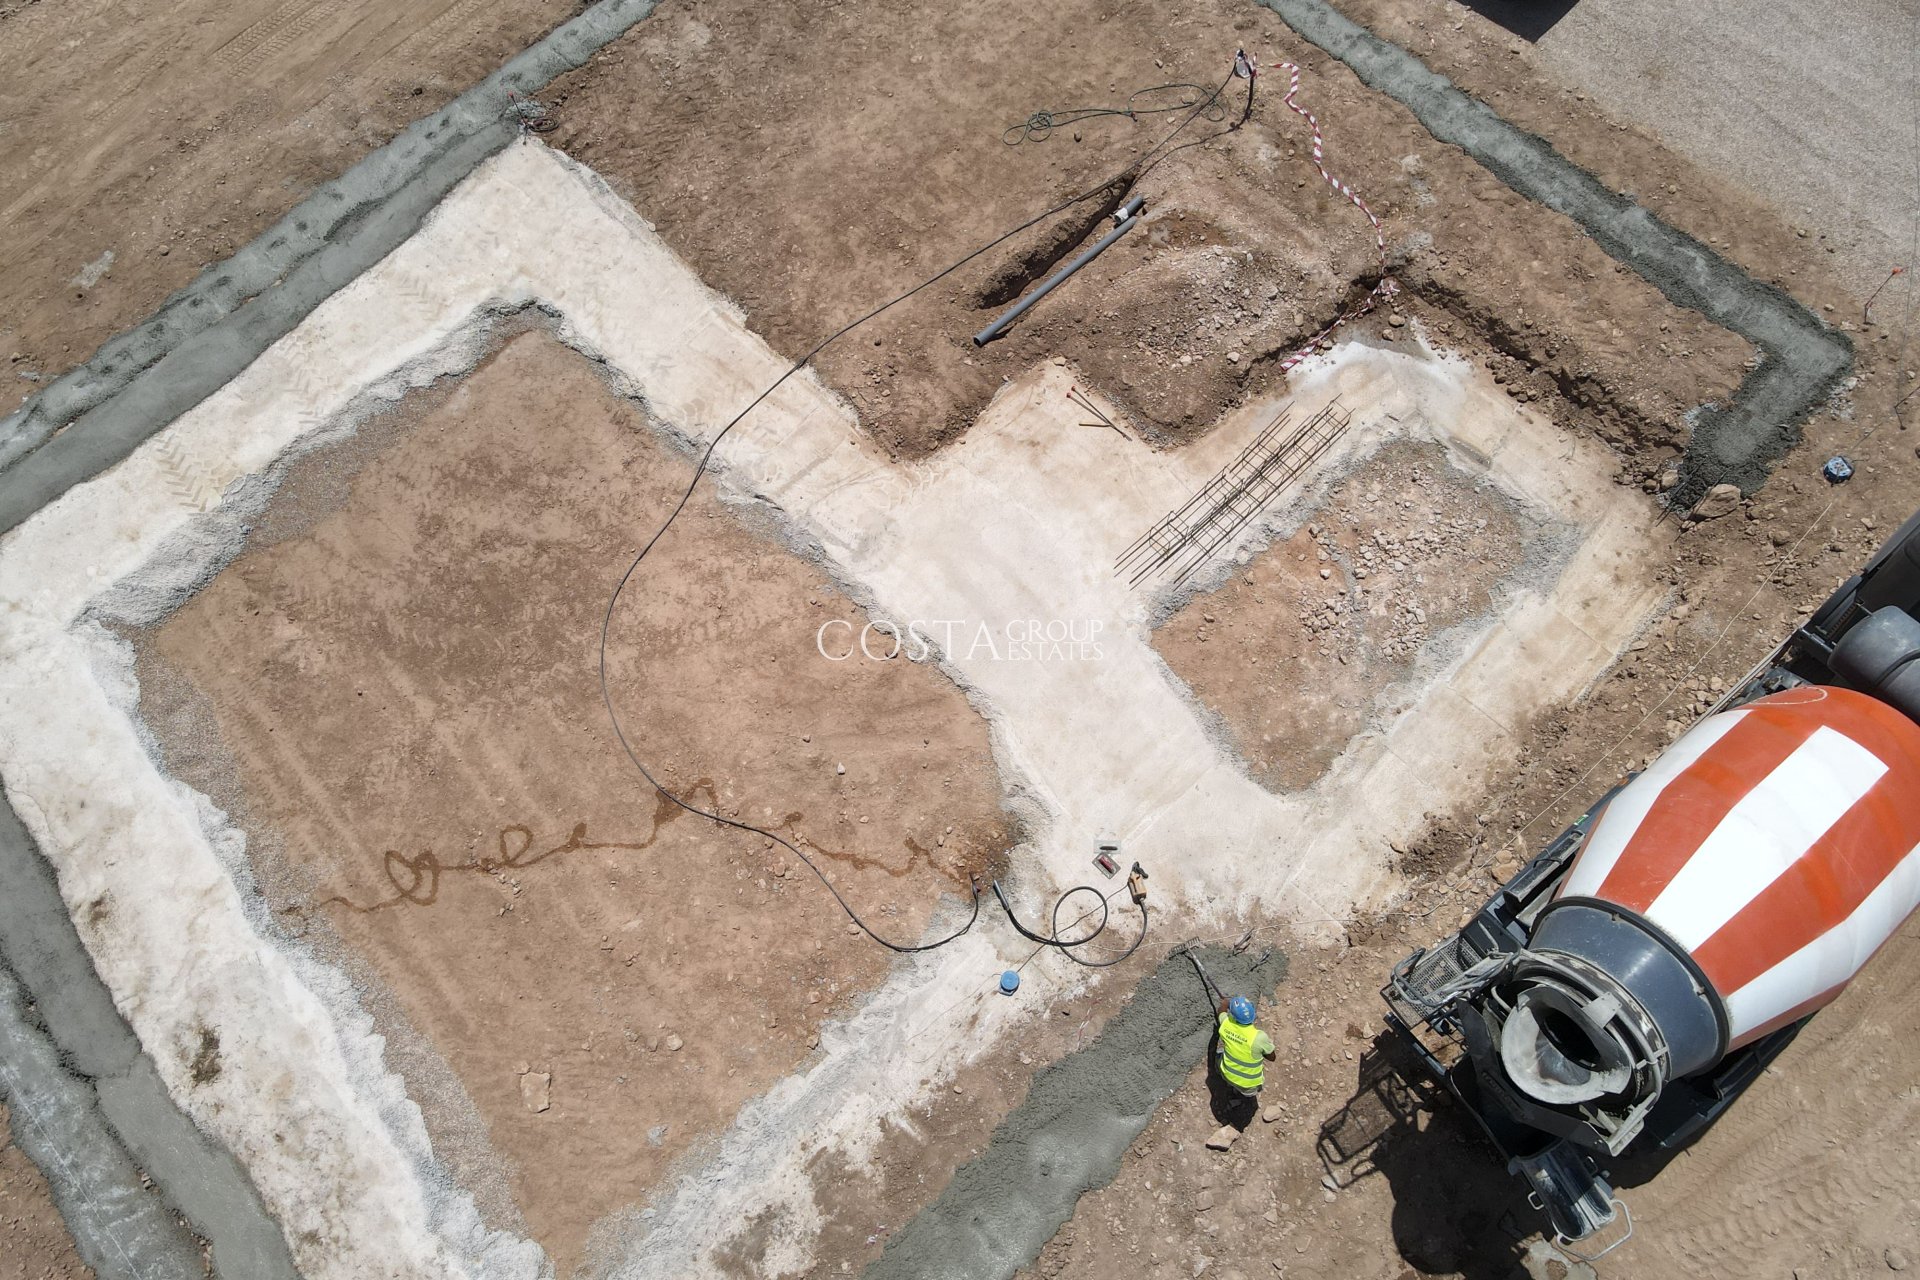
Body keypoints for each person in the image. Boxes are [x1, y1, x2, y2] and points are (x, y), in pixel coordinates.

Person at [1215, 994, 1276, 1103]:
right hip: (1248, 1087)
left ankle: (1230, 1085)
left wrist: (1225, 1004)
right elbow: (1272, 1058)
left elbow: (1221, 1012)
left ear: (1233, 1016)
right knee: (1251, 1092)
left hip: (1227, 1075)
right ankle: (1245, 1095)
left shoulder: (1226, 1024)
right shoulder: (1259, 1037)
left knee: (1220, 1053)